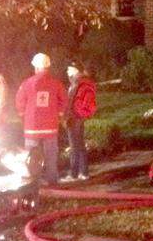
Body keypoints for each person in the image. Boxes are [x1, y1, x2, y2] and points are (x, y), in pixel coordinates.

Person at [15, 52, 67, 184]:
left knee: (31, 159)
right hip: (50, 127)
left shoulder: (27, 84)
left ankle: (32, 185)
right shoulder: (56, 84)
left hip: (32, 128)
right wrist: (59, 114)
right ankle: (52, 183)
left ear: (36, 68)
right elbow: (64, 100)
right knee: (51, 157)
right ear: (48, 67)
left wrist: (23, 115)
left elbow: (19, 102)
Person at [64, 64, 97, 181]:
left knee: (74, 146)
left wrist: (69, 115)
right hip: (79, 117)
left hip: (74, 118)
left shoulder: (78, 83)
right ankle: (84, 173)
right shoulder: (81, 82)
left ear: (75, 69)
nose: (67, 70)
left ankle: (74, 174)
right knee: (80, 145)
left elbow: (72, 103)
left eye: (69, 68)